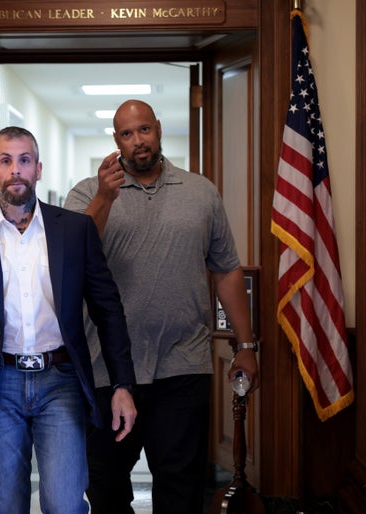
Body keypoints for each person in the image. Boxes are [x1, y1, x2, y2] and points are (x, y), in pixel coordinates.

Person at [63, 100, 260, 514]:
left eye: (144, 130)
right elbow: (70, 259)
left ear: (158, 129)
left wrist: (246, 344)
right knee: (107, 488)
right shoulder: (87, 192)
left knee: (180, 489)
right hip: (109, 370)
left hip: (183, 365)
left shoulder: (201, 192)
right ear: (116, 141)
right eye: (127, 134)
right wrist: (104, 197)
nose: (138, 141)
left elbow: (226, 271)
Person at [0, 126, 137, 514]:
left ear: (38, 169)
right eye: (6, 161)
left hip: (60, 382)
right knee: (6, 504)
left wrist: (122, 383)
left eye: (24, 160)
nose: (16, 170)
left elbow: (107, 309)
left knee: (65, 504)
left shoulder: (75, 231)